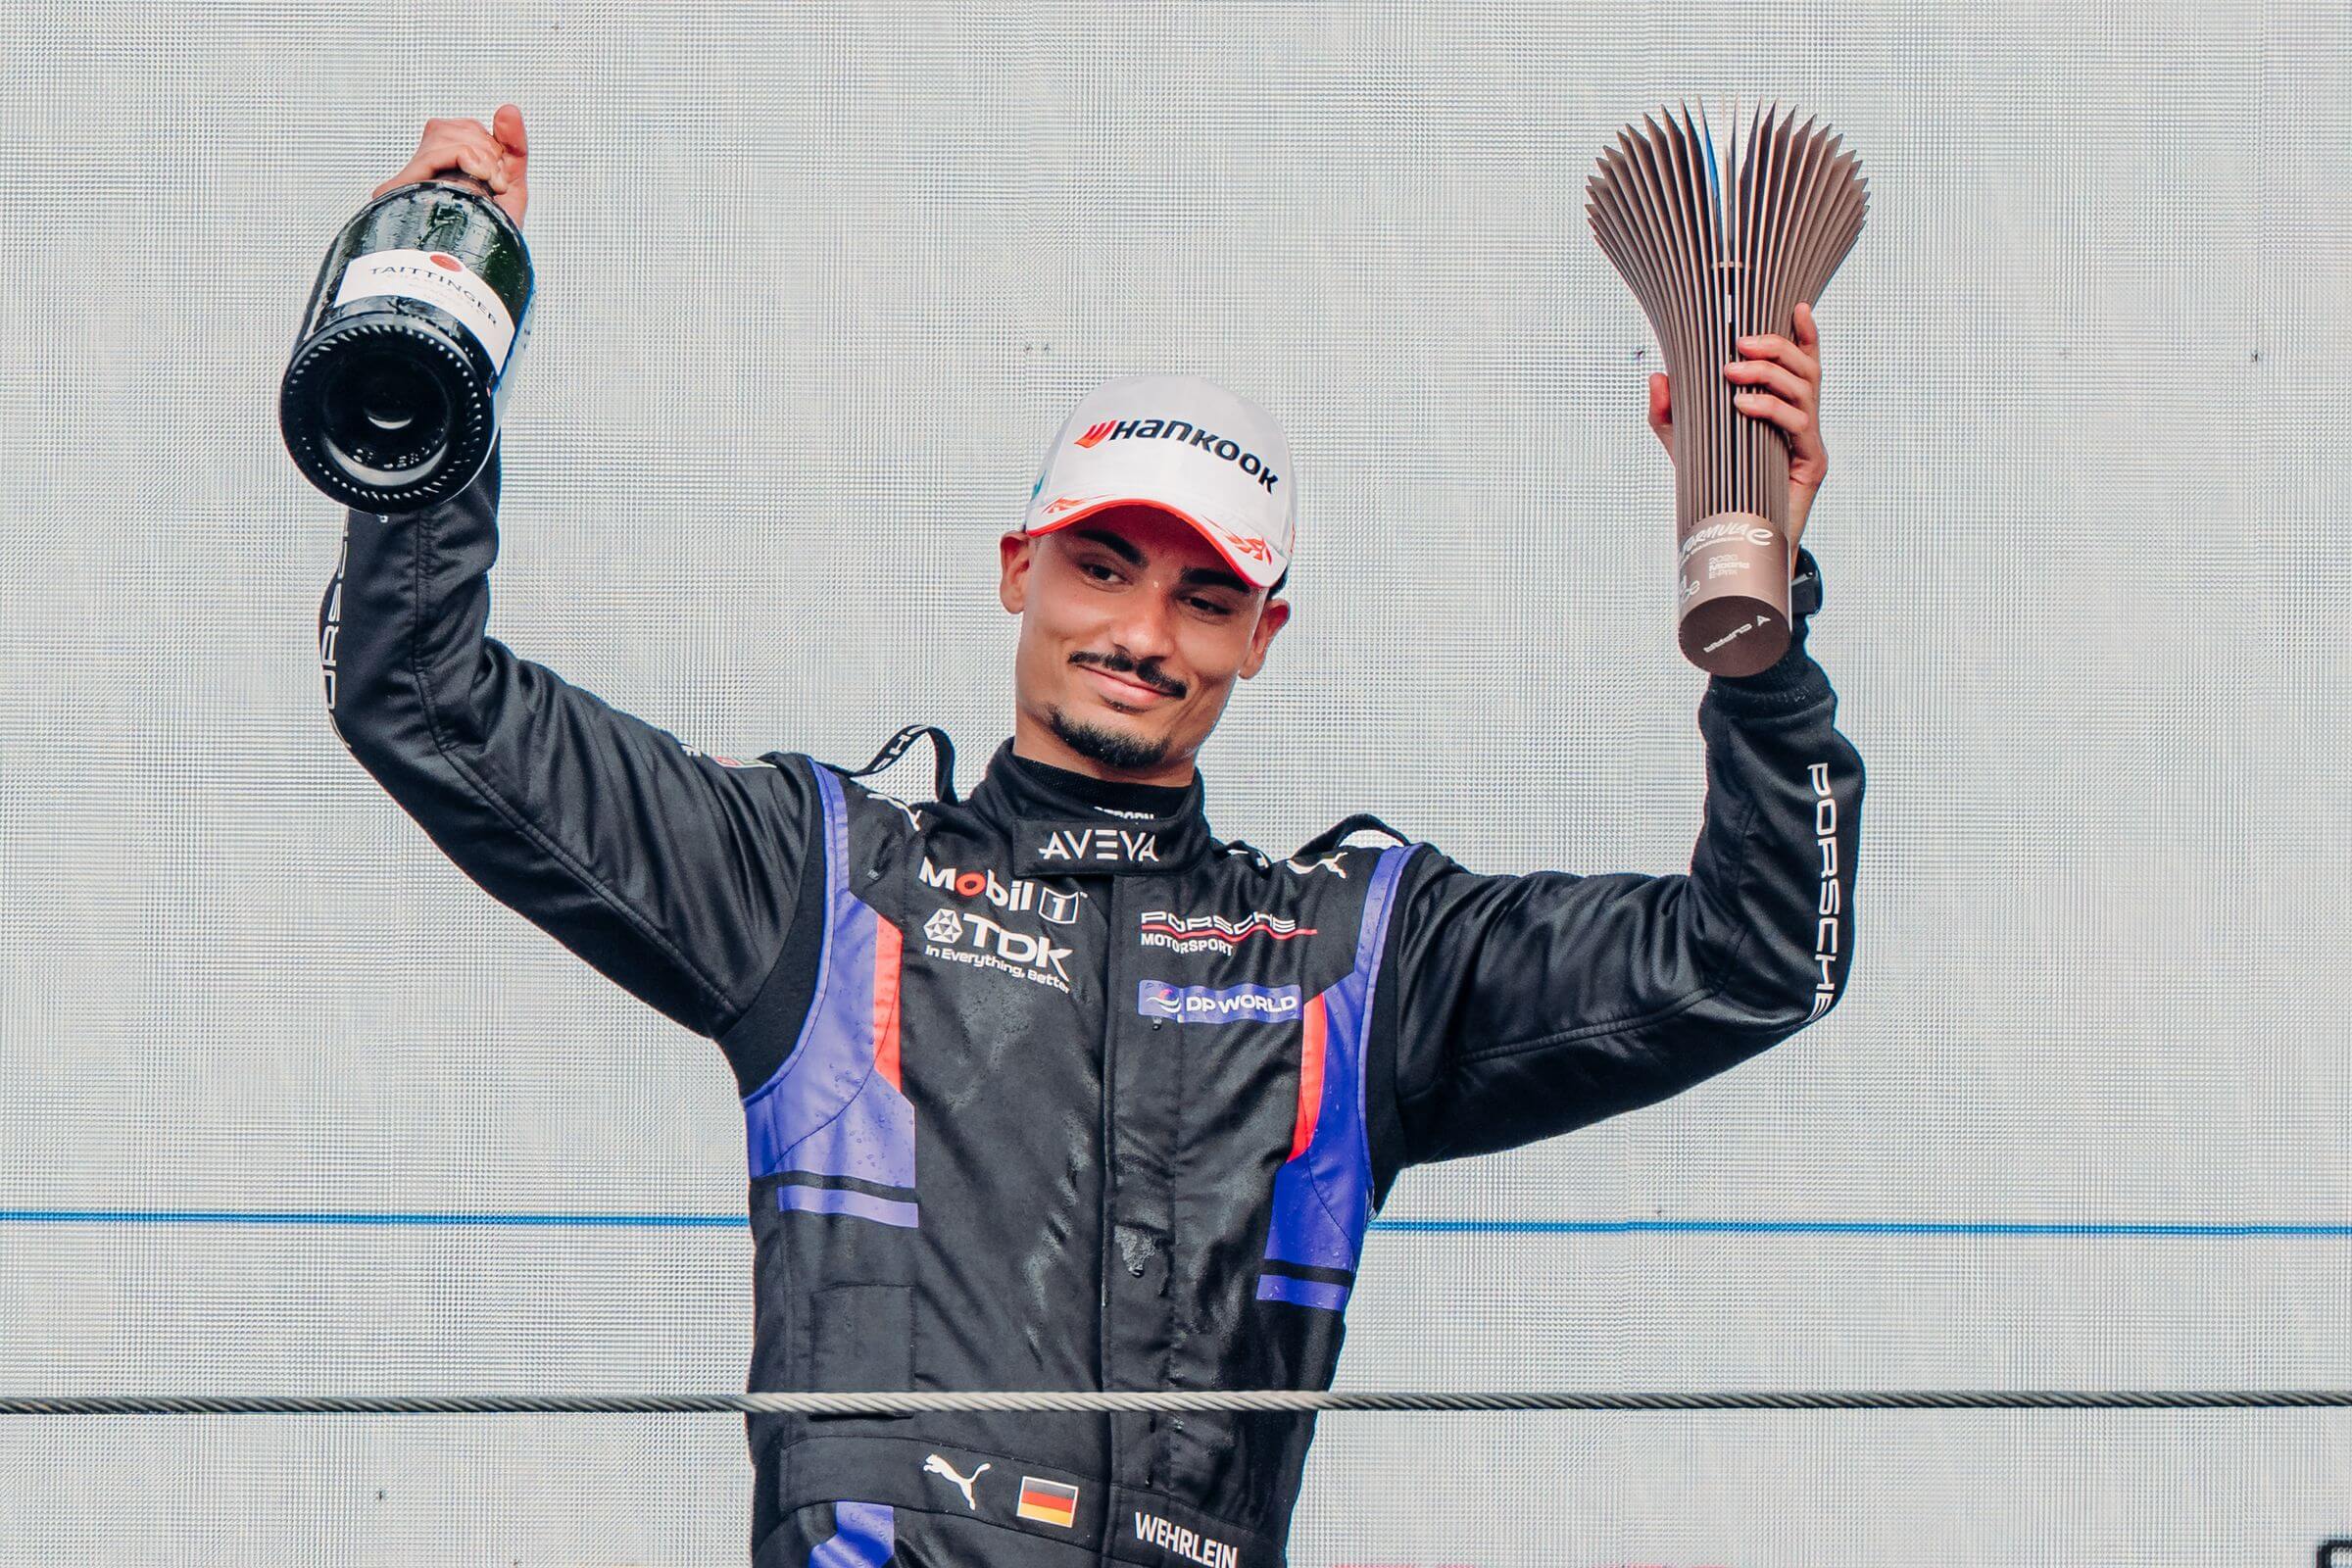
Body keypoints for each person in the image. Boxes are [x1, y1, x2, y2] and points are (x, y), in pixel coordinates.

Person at [323, 106, 1863, 1568]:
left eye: (1204, 597)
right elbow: (426, 700)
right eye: (1105, 569)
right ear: (1019, 571)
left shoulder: (1352, 954)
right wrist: (434, 308)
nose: (1142, 631)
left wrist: (1761, 624)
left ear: (1266, 634)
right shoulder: (830, 879)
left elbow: (1758, 956)